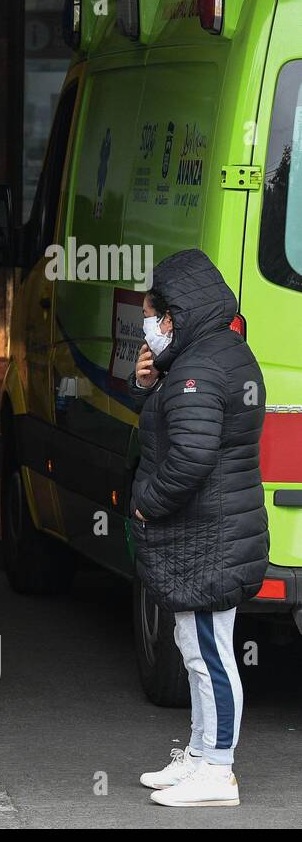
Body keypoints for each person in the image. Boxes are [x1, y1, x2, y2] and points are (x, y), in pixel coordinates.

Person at [130, 249, 268, 808]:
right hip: (214, 531)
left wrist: (145, 506)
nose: (147, 327)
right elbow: (181, 429)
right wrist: (152, 381)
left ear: (173, 316)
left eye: (151, 315)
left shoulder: (196, 369)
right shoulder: (215, 355)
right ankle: (198, 752)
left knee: (210, 652)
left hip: (208, 534)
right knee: (196, 647)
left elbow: (188, 457)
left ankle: (219, 770)